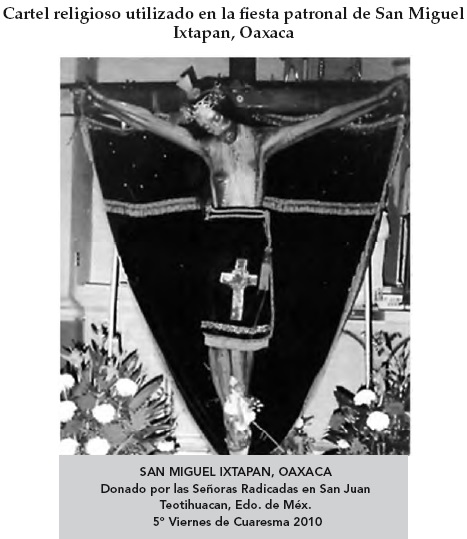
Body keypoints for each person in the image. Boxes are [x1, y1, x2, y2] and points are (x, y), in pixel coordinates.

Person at [84, 78, 405, 453]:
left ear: (224, 109)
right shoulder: (208, 148)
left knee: (245, 334)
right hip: (218, 242)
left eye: (215, 119)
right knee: (218, 335)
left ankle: (242, 411)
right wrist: (103, 100)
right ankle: (232, 415)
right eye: (206, 124)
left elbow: (324, 120)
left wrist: (379, 97)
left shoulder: (261, 141)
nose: (214, 128)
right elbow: (153, 123)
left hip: (250, 241)